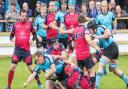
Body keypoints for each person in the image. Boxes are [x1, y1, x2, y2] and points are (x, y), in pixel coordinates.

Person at [60, 15, 101, 89]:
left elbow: (73, 44)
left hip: (78, 55)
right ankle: (92, 87)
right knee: (92, 71)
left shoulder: (75, 30)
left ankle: (78, 83)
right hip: (85, 54)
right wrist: (96, 47)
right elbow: (88, 39)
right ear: (84, 21)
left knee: (81, 71)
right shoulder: (85, 29)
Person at [5, 10, 43, 89]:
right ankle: (8, 86)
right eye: (22, 16)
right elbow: (11, 35)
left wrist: (32, 40)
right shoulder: (15, 25)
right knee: (12, 67)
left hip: (26, 51)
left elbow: (35, 34)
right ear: (19, 16)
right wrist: (11, 39)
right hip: (17, 50)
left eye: (25, 16)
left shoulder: (29, 24)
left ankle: (39, 84)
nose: (24, 17)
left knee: (31, 68)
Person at [87, 20, 128, 89]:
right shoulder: (93, 35)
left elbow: (109, 34)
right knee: (115, 70)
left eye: (90, 29)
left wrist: (98, 37)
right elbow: (94, 43)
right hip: (111, 49)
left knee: (101, 65)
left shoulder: (101, 27)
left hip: (111, 47)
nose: (89, 31)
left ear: (93, 28)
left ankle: (96, 86)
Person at [24, 50, 90, 89]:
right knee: (48, 86)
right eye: (36, 61)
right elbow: (33, 74)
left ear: (41, 57)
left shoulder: (48, 58)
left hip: (63, 71)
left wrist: (47, 76)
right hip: (56, 75)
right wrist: (27, 83)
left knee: (70, 85)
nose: (37, 62)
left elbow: (53, 69)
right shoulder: (39, 65)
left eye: (37, 60)